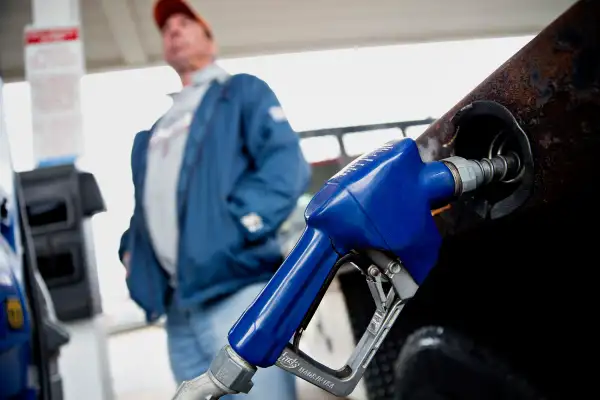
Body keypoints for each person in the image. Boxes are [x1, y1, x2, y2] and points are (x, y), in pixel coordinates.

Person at [118, 1, 310, 398]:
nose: (173, 30)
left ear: (209, 38)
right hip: (178, 311)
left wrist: (237, 226)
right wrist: (129, 251)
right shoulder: (154, 134)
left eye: (185, 22)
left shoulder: (241, 93)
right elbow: (146, 212)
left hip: (237, 292)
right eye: (166, 27)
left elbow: (285, 167)